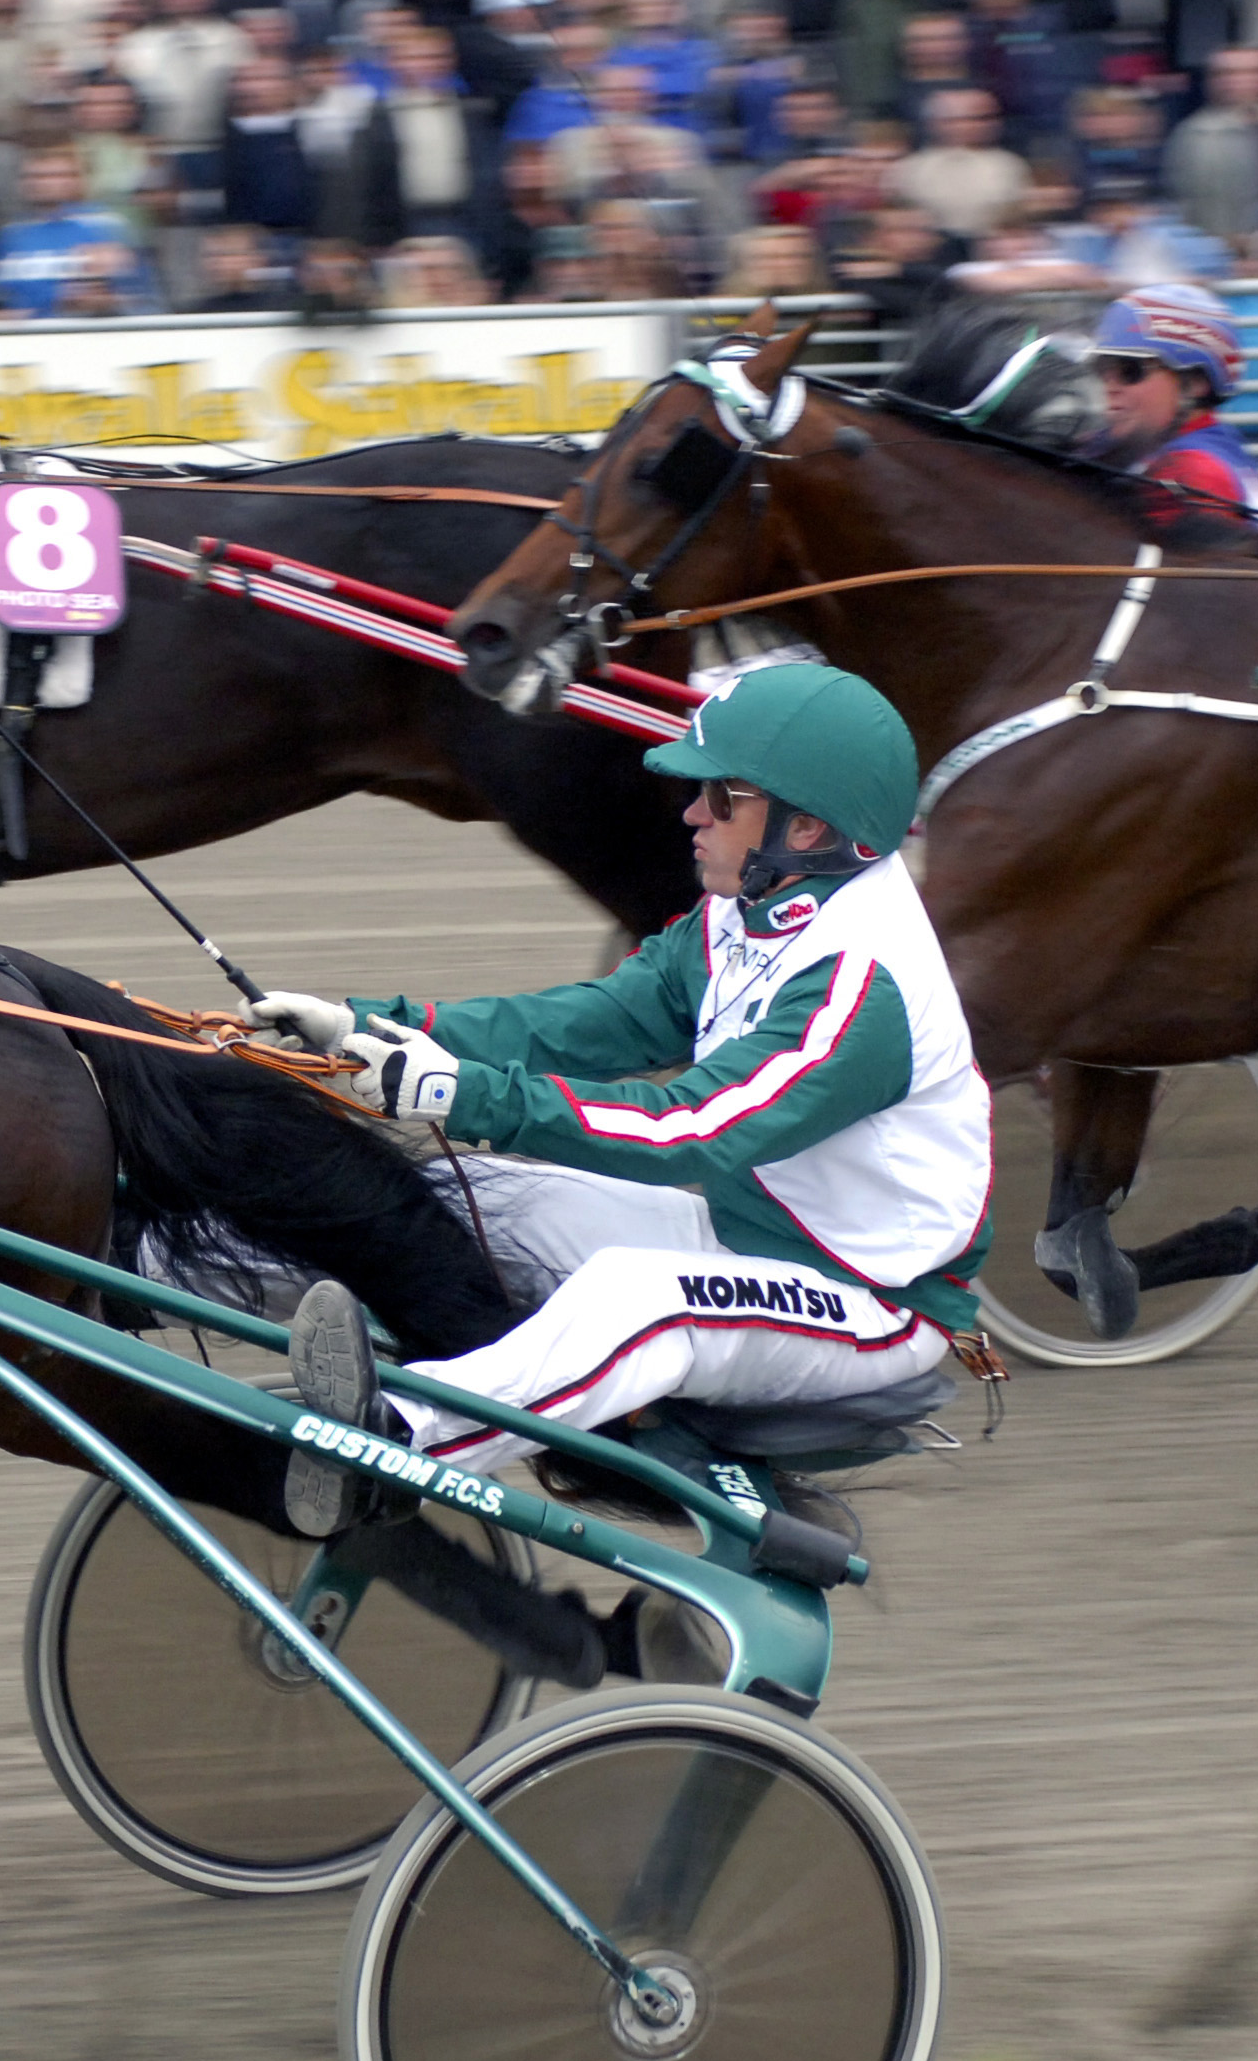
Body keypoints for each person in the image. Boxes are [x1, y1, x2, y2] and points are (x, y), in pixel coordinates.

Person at [239, 665, 991, 1661]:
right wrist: (377, 1028)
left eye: (720, 796)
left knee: (645, 1297)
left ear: (803, 828)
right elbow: (602, 1021)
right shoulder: (751, 901)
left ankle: (389, 1442)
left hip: (866, 1302)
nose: (689, 812)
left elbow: (690, 1127)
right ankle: (197, 1264)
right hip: (740, 1231)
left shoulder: (864, 981)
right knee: (480, 1192)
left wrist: (457, 1096)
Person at [1086, 281, 1258, 510]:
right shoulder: (1151, 442)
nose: (1111, 385)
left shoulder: (1193, 472)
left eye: (1129, 370)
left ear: (1194, 383)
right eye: (1104, 368)